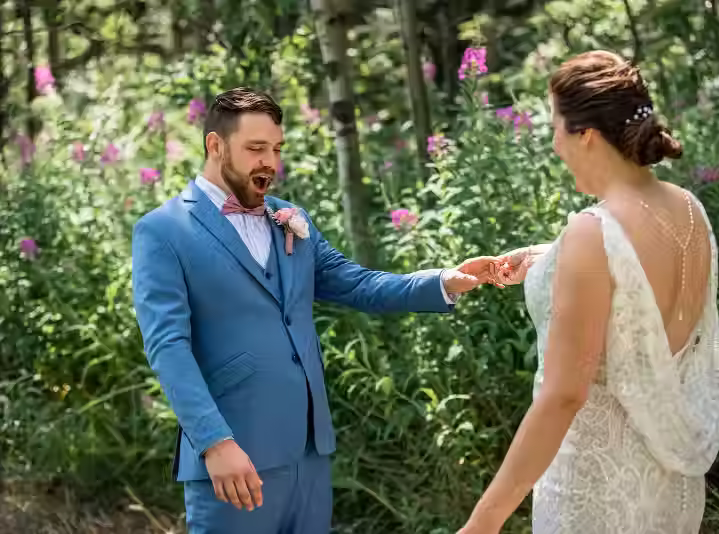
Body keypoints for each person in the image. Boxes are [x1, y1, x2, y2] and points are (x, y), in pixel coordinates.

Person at [131, 87, 500, 534]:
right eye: (256, 149)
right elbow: (168, 347)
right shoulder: (164, 230)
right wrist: (213, 442)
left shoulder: (289, 217)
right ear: (216, 145)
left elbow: (359, 284)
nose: (270, 161)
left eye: (276, 149)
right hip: (233, 461)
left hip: (309, 455)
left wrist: (443, 280)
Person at [459, 50, 719, 534]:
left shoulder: (593, 234)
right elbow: (635, 284)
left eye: (555, 128)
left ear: (585, 135)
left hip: (597, 491)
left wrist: (484, 521)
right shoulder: (688, 210)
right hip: (669, 487)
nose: (553, 144)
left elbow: (564, 395)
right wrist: (549, 259)